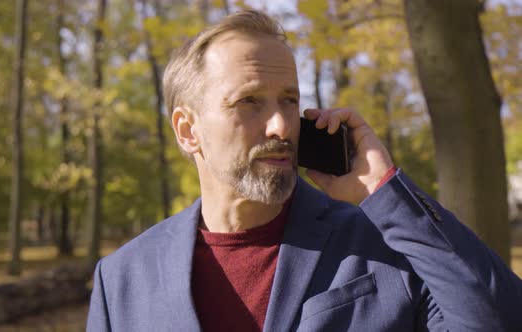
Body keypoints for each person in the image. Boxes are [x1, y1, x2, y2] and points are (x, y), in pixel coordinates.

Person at [87, 9, 522, 332]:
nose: (280, 126)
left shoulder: (385, 245)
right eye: (249, 102)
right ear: (187, 130)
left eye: (289, 101)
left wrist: (385, 189)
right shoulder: (123, 279)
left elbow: (499, 320)